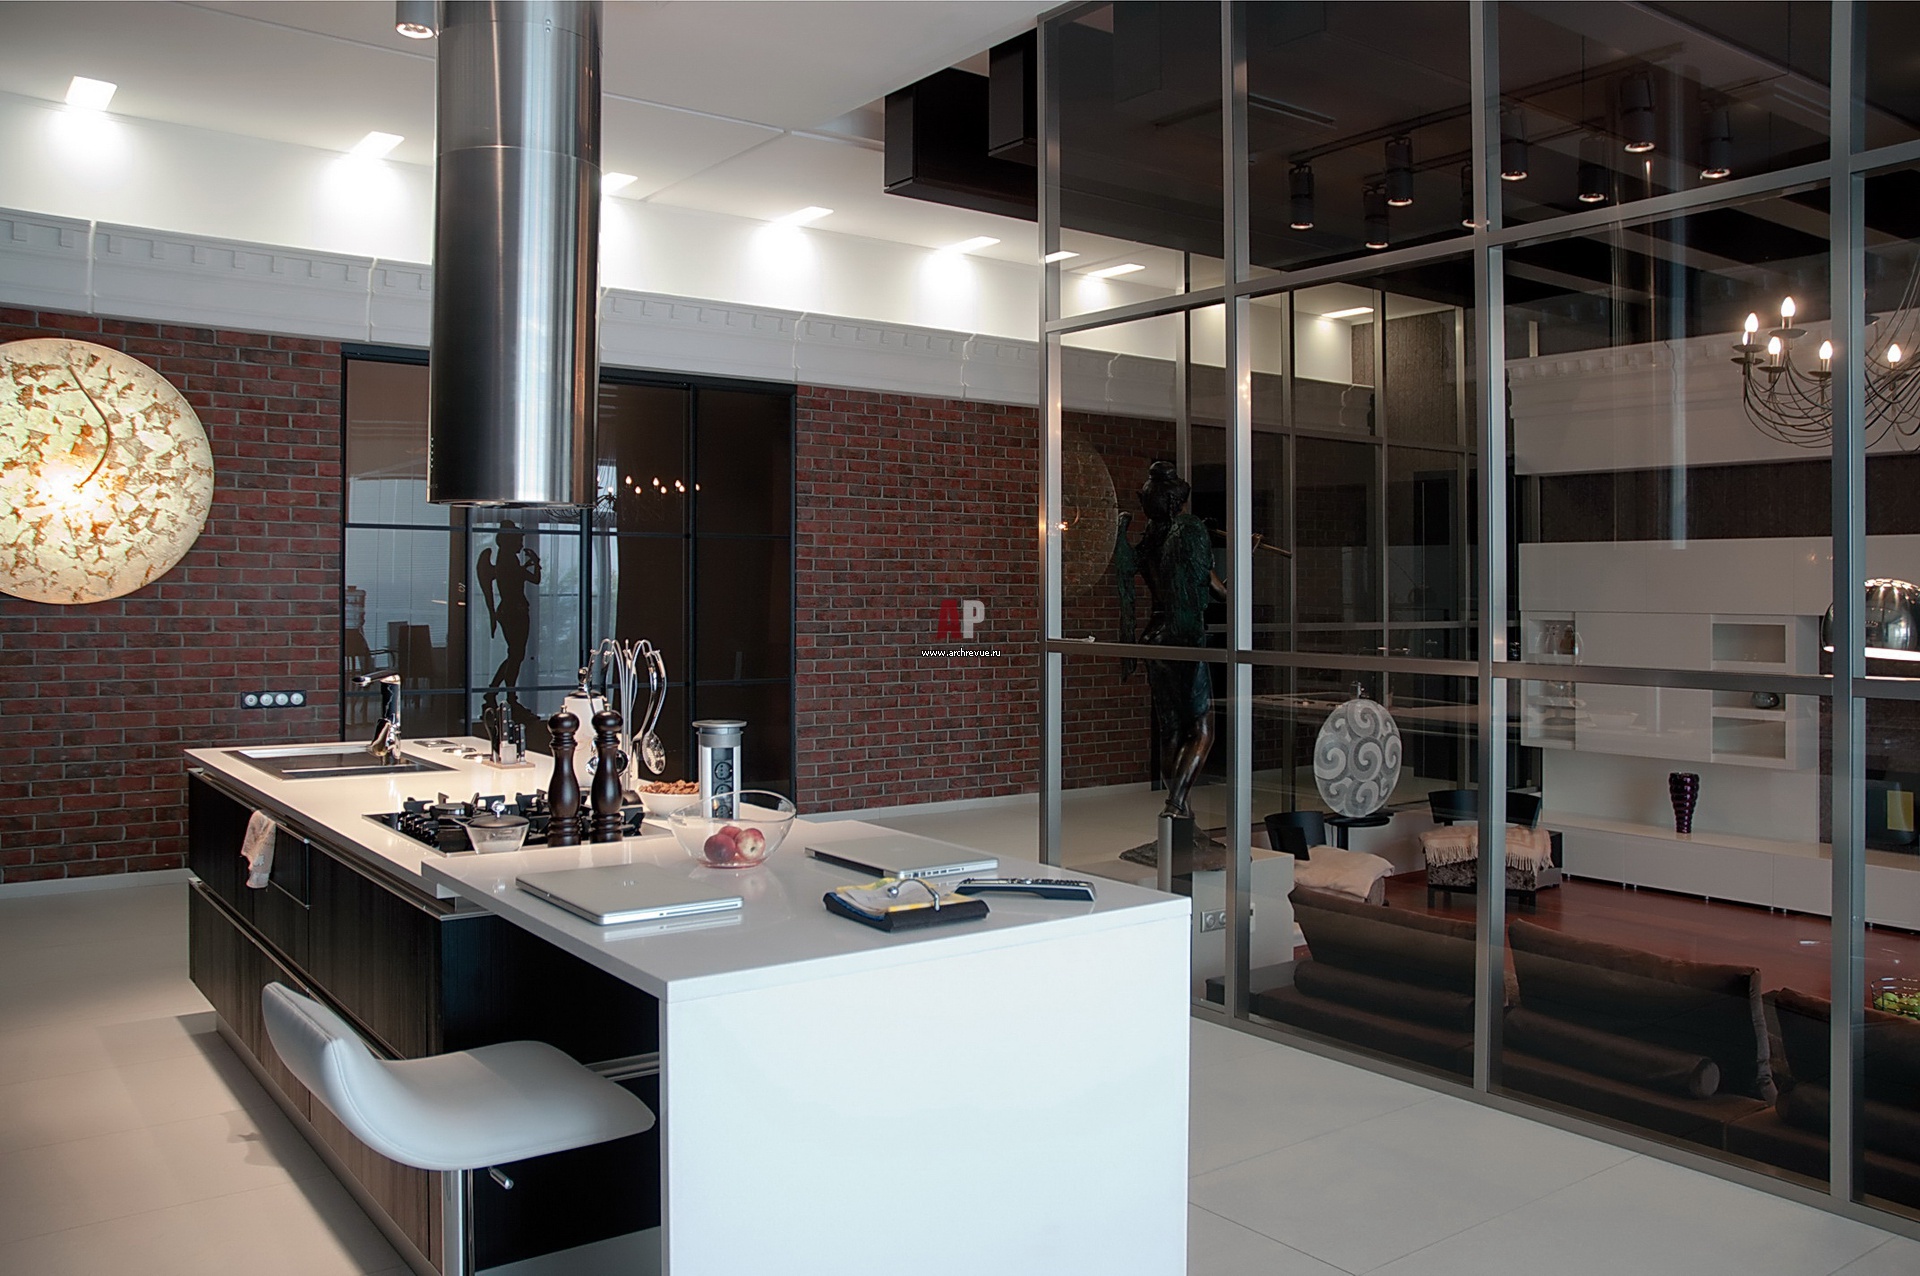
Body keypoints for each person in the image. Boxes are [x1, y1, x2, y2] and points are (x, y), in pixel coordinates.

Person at [1113, 461, 1229, 821]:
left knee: (1171, 730)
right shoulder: (1187, 534)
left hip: (1155, 634)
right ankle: (1176, 804)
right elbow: (1219, 592)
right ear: (1177, 502)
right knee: (1202, 727)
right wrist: (1242, 561)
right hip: (1182, 636)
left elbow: (1131, 565)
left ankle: (1180, 811)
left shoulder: (1151, 537)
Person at [477, 521, 541, 697]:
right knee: (516, 655)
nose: (521, 543)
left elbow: (520, 577)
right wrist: (535, 563)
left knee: (515, 654)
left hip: (510, 611)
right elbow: (534, 579)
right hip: (515, 612)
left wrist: (528, 566)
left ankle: (494, 691)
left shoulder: (505, 560)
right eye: (519, 540)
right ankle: (509, 695)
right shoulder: (507, 561)